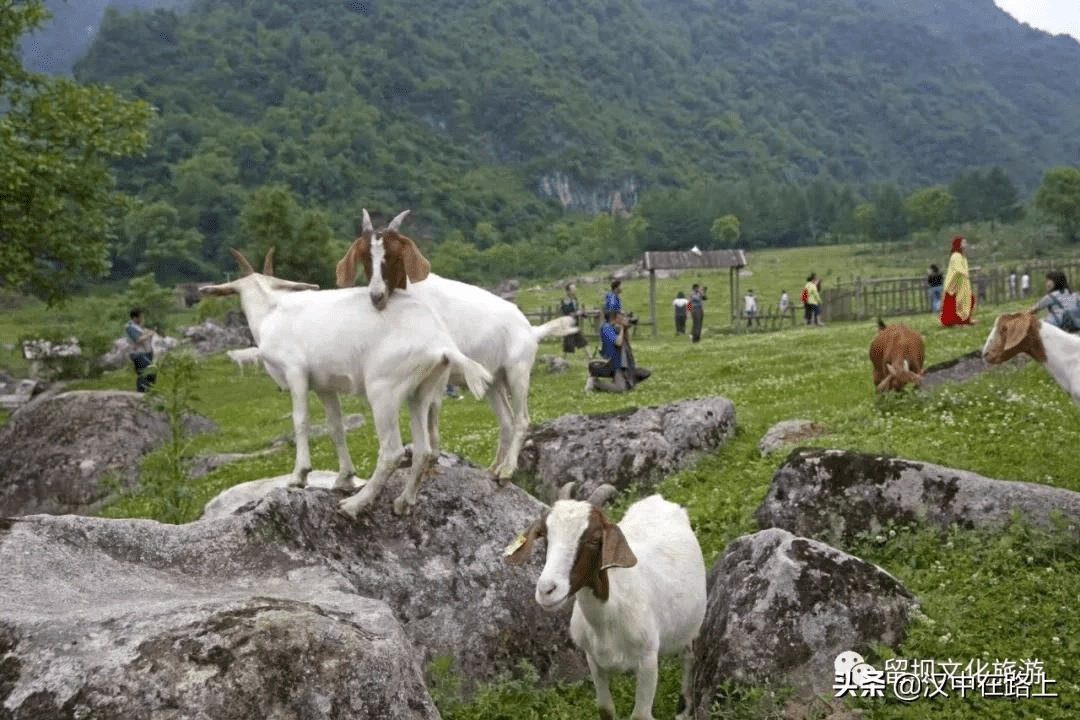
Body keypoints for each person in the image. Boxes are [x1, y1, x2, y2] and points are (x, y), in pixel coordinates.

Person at [586, 310, 651, 392]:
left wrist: (625, 328)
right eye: (622, 317)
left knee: (645, 373)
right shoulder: (607, 328)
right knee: (621, 389)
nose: (624, 319)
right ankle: (596, 384)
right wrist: (622, 328)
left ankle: (625, 382)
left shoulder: (617, 328)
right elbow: (618, 342)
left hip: (625, 365)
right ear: (615, 318)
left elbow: (625, 341)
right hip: (613, 365)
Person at [940, 235, 977, 326]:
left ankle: (966, 319)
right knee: (956, 302)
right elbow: (959, 269)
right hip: (956, 284)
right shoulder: (956, 256)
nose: (965, 244)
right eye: (963, 242)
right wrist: (969, 272)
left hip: (963, 282)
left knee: (967, 300)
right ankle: (955, 321)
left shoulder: (962, 256)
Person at [125, 308, 157, 392]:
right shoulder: (130, 327)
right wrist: (149, 334)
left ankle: (150, 391)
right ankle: (141, 393)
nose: (142, 318)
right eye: (141, 317)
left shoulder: (139, 327)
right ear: (135, 317)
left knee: (151, 373)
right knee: (143, 374)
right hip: (138, 353)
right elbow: (138, 339)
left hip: (147, 352)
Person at [560, 283, 589, 355]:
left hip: (574, 325)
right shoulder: (566, 300)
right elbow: (566, 313)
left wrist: (582, 313)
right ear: (568, 290)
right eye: (572, 288)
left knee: (583, 341)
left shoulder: (574, 299)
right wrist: (577, 313)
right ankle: (562, 361)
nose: (574, 290)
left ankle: (590, 357)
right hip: (568, 325)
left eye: (574, 288)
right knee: (568, 345)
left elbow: (576, 310)